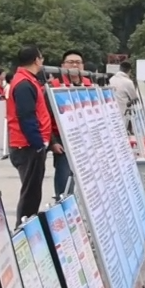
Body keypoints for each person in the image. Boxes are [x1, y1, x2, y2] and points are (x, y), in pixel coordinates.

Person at [6, 46, 60, 222]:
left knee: (33, 191)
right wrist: (38, 144)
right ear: (37, 60)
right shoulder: (24, 84)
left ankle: (28, 224)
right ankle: (24, 227)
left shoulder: (28, 81)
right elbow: (26, 117)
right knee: (30, 193)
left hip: (30, 144)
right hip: (27, 146)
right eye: (41, 58)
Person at [47, 50, 92, 199]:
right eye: (70, 62)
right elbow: (45, 117)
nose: (74, 65)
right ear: (63, 65)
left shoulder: (89, 85)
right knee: (65, 174)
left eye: (78, 62)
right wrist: (53, 141)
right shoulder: (54, 87)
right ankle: (63, 202)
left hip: (85, 136)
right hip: (63, 138)